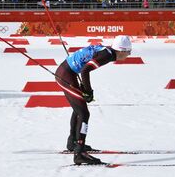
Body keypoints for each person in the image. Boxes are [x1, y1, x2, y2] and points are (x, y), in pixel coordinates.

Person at [54, 35, 132, 165]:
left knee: (79, 108)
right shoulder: (106, 56)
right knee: (84, 113)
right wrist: (88, 91)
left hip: (68, 73)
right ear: (121, 50)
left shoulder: (108, 51)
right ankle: (79, 153)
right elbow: (85, 71)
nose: (128, 55)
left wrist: (86, 90)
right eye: (128, 52)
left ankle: (73, 142)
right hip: (65, 75)